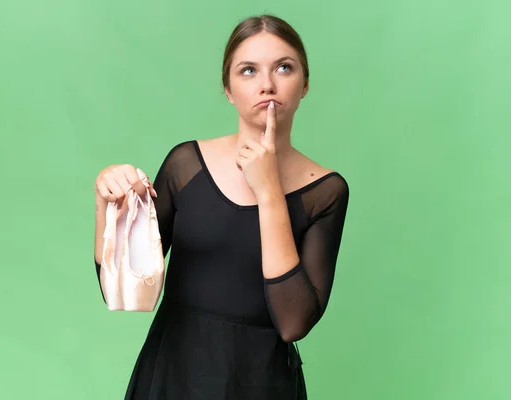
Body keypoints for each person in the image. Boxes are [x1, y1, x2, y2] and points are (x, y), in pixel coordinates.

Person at [92, 14, 350, 400]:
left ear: (305, 84)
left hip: (262, 383)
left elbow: (293, 322)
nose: (267, 85)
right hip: (173, 375)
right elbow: (123, 291)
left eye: (284, 67)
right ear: (228, 89)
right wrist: (106, 206)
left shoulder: (326, 191)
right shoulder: (186, 166)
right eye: (248, 71)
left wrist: (269, 191)